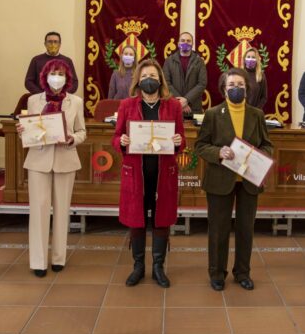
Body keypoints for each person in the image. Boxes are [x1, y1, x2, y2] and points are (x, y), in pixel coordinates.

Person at [195, 68, 274, 291]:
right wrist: (218, 152)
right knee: (218, 229)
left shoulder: (257, 114)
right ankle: (217, 273)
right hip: (220, 179)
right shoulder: (212, 114)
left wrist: (262, 155)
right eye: (231, 85)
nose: (236, 88)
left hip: (249, 180)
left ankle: (242, 273)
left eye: (240, 84)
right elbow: (200, 145)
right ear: (224, 89)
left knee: (246, 229)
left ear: (247, 89)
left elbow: (267, 144)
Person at [112, 58, 185, 288]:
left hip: (163, 172)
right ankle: (138, 266)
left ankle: (158, 267)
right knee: (137, 218)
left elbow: (181, 139)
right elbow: (116, 137)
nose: (149, 80)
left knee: (161, 218)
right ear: (137, 81)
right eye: (144, 77)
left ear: (160, 79)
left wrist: (178, 141)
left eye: (153, 76)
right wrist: (121, 141)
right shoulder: (126, 105)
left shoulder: (172, 105)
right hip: (136, 172)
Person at [19, 59, 87, 277]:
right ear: (45, 76)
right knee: (38, 211)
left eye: (61, 74)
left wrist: (71, 138)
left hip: (65, 159)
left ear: (67, 78)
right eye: (52, 73)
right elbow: (29, 127)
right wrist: (23, 130)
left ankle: (59, 257)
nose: (56, 77)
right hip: (39, 159)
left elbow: (82, 132)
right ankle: (38, 261)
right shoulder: (32, 100)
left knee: (61, 210)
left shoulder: (75, 102)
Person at [163, 31, 207, 117]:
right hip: (173, 107)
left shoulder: (199, 61)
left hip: (193, 108)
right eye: (182, 40)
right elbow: (166, 83)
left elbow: (202, 83)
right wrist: (180, 101)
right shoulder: (169, 61)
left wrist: (187, 99)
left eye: (188, 41)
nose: (185, 43)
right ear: (178, 43)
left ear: (192, 43)